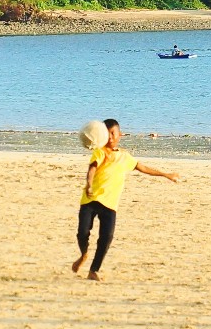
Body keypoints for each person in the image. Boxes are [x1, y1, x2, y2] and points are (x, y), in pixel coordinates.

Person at [73, 118, 180, 280]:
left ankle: (94, 270)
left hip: (110, 204)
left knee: (106, 237)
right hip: (90, 199)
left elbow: (143, 168)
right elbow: (92, 169)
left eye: (113, 133)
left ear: (119, 135)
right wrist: (88, 185)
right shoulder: (100, 152)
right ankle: (84, 254)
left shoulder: (125, 157)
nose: (110, 137)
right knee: (82, 233)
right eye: (106, 134)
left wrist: (166, 175)